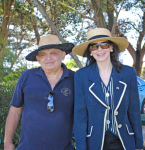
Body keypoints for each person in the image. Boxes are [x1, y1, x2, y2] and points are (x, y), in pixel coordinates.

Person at [72, 28, 143, 150]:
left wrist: (138, 145)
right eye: (94, 47)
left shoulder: (128, 73)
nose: (99, 49)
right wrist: (81, 147)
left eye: (104, 45)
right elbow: (80, 116)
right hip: (94, 142)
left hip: (123, 140)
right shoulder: (81, 76)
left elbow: (134, 111)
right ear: (90, 51)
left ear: (111, 47)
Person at [4, 35, 75, 150]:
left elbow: (83, 115)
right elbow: (15, 111)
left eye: (53, 53)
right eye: (43, 54)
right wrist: (7, 142)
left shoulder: (75, 79)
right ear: (38, 58)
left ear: (63, 55)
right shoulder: (26, 77)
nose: (48, 58)